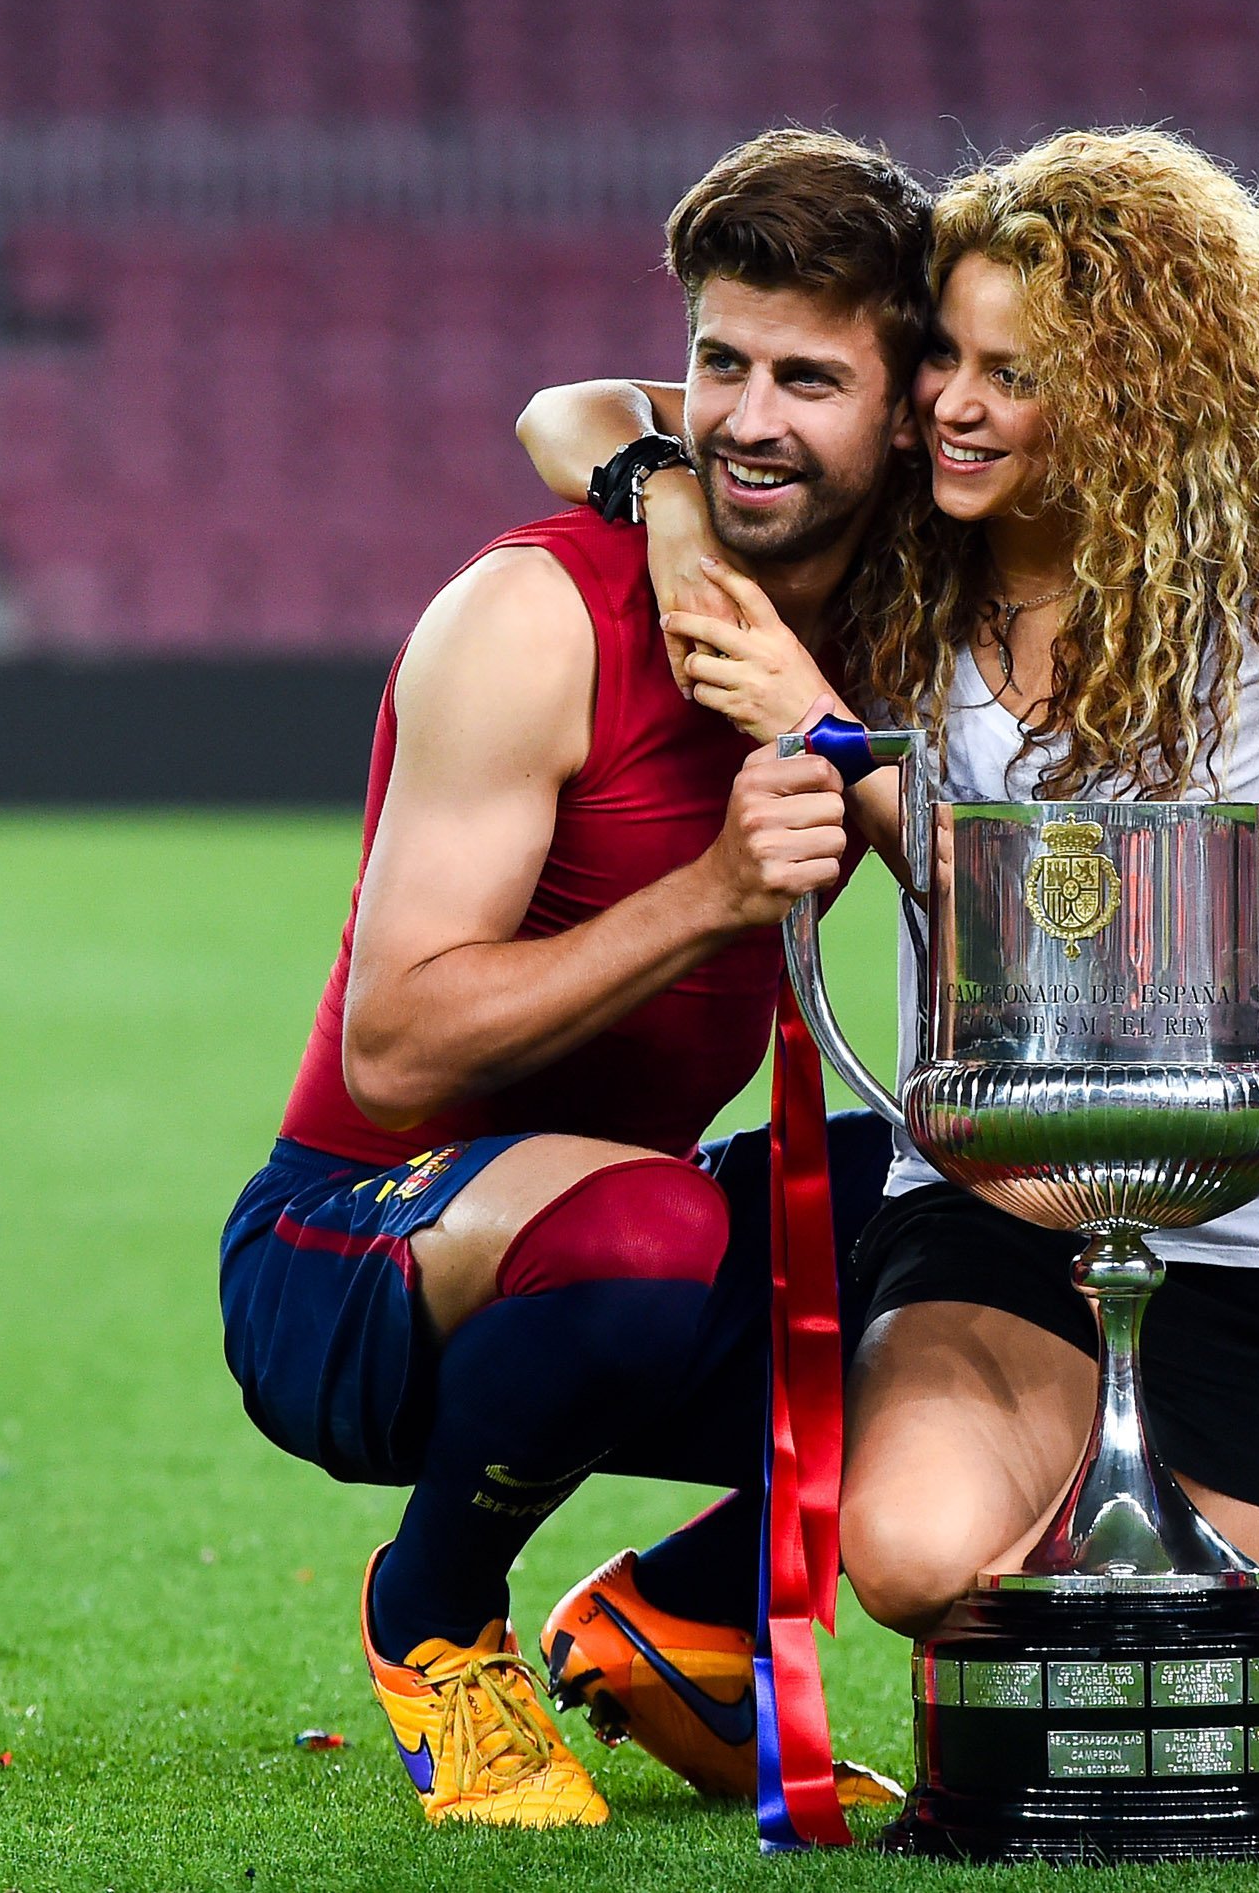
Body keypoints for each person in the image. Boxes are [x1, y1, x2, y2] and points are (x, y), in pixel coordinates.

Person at [517, 127, 1259, 1801]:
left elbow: (1066, 933)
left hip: (1235, 1186)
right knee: (914, 1555)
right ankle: (800, 1580)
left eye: (1014, 373)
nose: (949, 400)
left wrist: (814, 717)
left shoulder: (1241, 630)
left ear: (1130, 398)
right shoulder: (898, 562)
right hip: (999, 1178)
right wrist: (664, 515)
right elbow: (574, 408)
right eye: (943, 350)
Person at [219, 129, 936, 1830]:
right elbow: (394, 1046)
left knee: (1013, 1234)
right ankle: (435, 1620)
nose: (747, 417)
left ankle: (680, 1619)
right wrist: (704, 895)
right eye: (718, 362)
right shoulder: (536, 618)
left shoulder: (889, 632)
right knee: (649, 1231)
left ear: (906, 410)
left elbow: (1039, 923)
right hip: (352, 1253)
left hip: (627, 1225)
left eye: (809, 377)